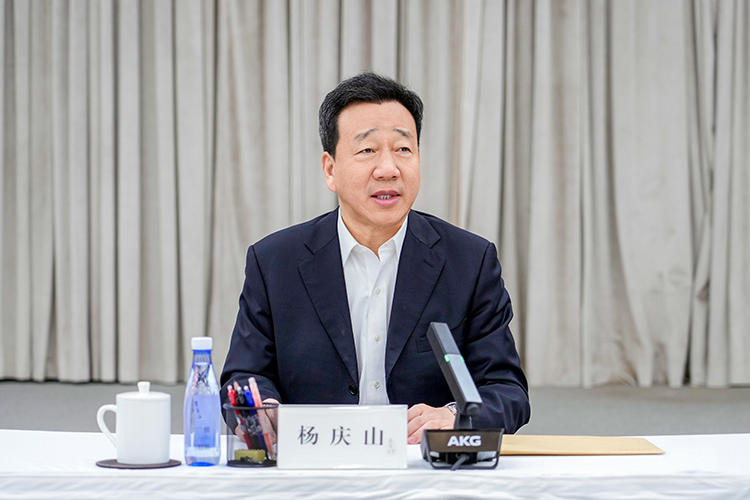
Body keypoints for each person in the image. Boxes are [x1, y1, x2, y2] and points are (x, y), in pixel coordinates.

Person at [220, 73, 530, 443]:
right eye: (367, 150)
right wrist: (262, 409)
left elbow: (506, 391)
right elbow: (243, 377)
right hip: (315, 461)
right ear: (331, 170)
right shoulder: (274, 262)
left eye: (403, 149)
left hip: (421, 467)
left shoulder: (470, 262)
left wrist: (453, 416)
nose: (388, 169)